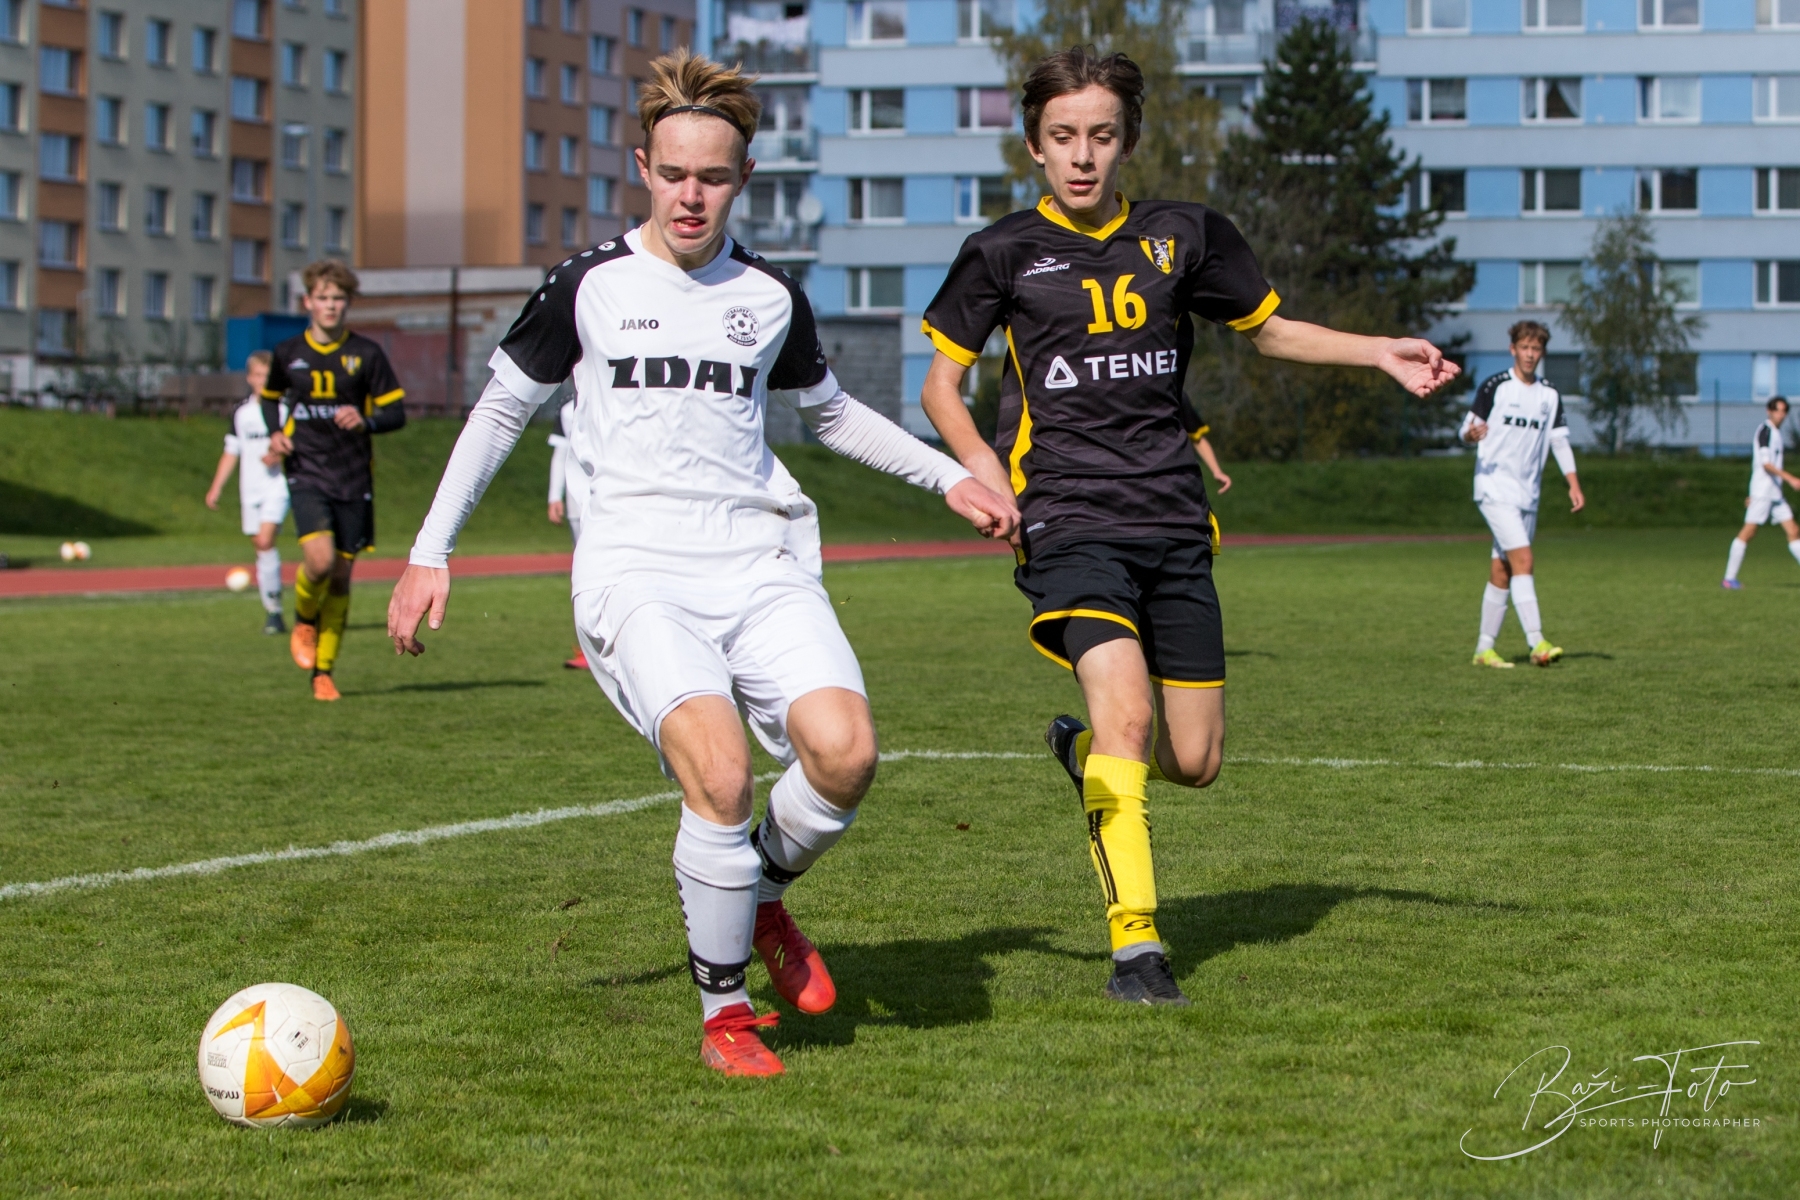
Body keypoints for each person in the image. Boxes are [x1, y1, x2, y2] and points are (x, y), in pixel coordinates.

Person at [386, 51, 1018, 1077]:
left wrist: (948, 477)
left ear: (744, 178)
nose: (691, 195)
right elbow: (501, 411)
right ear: (643, 167)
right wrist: (430, 553)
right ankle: (726, 1014)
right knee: (720, 774)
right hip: (635, 570)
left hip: (757, 558)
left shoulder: (769, 295)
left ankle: (757, 894)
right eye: (674, 172)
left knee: (846, 754)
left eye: (713, 177)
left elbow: (829, 415)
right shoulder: (589, 285)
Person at [918, 47, 1458, 1007]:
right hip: (1067, 517)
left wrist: (1379, 350)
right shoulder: (1002, 251)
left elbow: (1271, 329)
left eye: (1101, 135)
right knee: (1127, 715)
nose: (1082, 155)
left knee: (1195, 760)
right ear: (1035, 145)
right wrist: (982, 469)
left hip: (1171, 517)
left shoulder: (1185, 234)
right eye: (1062, 137)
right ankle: (1137, 949)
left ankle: (1084, 756)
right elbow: (940, 386)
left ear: (1127, 141)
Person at [263, 261, 407, 702]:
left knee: (341, 580)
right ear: (308, 301)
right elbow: (269, 398)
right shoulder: (287, 352)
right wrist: (275, 432)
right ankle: (304, 618)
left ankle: (323, 672)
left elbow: (396, 413)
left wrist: (365, 420)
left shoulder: (366, 354)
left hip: (352, 477)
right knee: (320, 562)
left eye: (338, 298)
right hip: (306, 471)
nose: (331, 305)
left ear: (348, 303)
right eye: (323, 298)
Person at [1460, 321, 1584, 668]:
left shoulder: (1549, 394)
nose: (1530, 354)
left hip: (1528, 494)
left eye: (1536, 349)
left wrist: (1573, 483)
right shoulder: (1495, 386)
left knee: (1503, 570)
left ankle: (1484, 649)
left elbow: (1559, 441)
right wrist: (1470, 435)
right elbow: (1465, 429)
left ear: (1542, 352)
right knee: (1524, 560)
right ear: (1512, 349)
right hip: (1494, 487)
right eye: (1524, 348)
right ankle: (1537, 642)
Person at [204, 350, 289, 634]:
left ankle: (274, 613)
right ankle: (273, 609)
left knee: (265, 540)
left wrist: (279, 455)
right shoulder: (242, 412)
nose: (263, 381)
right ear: (250, 378)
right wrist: (216, 487)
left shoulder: (285, 410)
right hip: (249, 489)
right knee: (261, 547)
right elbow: (232, 451)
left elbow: (299, 444)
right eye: (258, 375)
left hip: (278, 485)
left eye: (268, 376)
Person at [1721, 396, 1800, 589]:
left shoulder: (1776, 433)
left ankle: (1729, 579)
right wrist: (1791, 478)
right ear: (1769, 411)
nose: (1780, 414)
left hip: (1775, 493)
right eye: (1777, 410)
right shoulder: (1765, 431)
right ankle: (1729, 579)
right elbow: (1766, 465)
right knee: (1749, 532)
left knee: (1794, 531)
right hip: (1763, 492)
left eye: (1783, 411)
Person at [545, 393, 590, 670]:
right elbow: (561, 452)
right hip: (577, 502)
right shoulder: (566, 405)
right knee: (584, 575)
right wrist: (554, 496)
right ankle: (589, 647)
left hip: (613, 499)